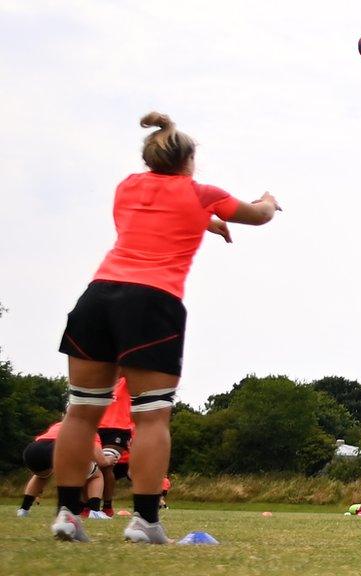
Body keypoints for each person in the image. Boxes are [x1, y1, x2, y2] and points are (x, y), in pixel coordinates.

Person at [49, 112, 281, 544]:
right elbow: (258, 215)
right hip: (152, 303)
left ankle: (68, 515)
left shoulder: (127, 188)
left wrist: (204, 222)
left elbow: (145, 225)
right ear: (189, 160)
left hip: (98, 298)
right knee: (151, 417)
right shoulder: (202, 193)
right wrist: (268, 199)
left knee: (80, 412)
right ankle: (145, 521)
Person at [17, 421, 114, 519]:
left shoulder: (59, 424)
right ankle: (94, 511)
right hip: (59, 448)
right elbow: (101, 461)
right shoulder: (88, 427)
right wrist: (109, 460)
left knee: (41, 476)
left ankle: (23, 509)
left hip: (34, 449)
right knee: (96, 475)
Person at [97, 377, 133, 517]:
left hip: (119, 429)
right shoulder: (100, 379)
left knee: (106, 464)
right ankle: (87, 506)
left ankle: (107, 507)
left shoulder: (126, 380)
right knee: (91, 466)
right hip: (97, 428)